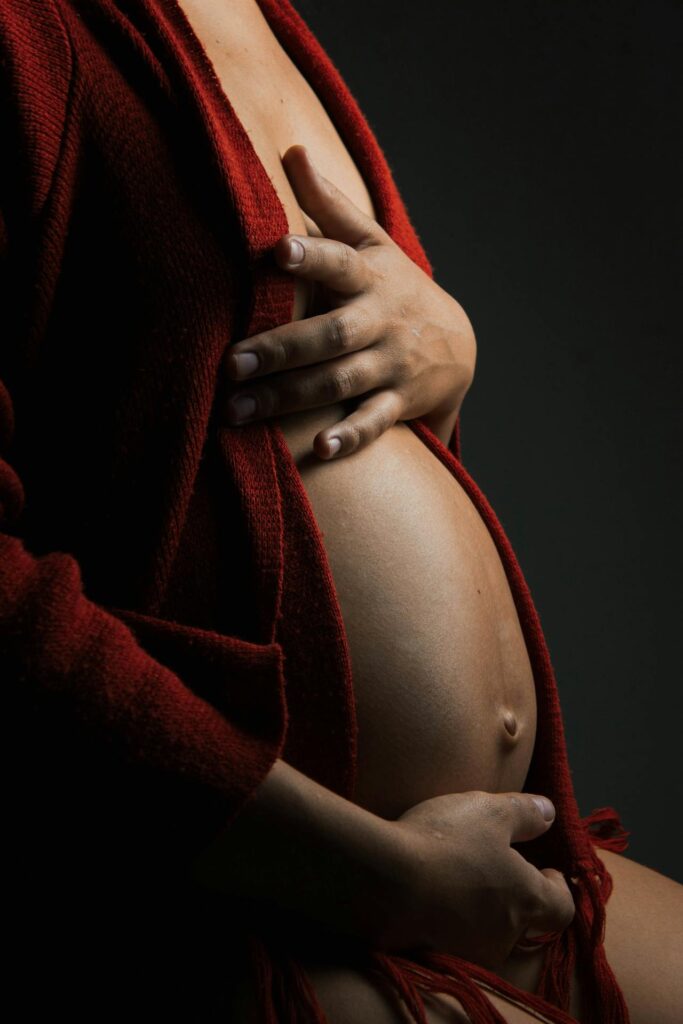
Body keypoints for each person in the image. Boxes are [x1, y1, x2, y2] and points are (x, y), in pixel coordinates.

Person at [1, 2, 680, 1023]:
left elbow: (266, 443)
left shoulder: (255, 13)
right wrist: (370, 874)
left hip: (474, 870)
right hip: (247, 894)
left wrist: (444, 353)